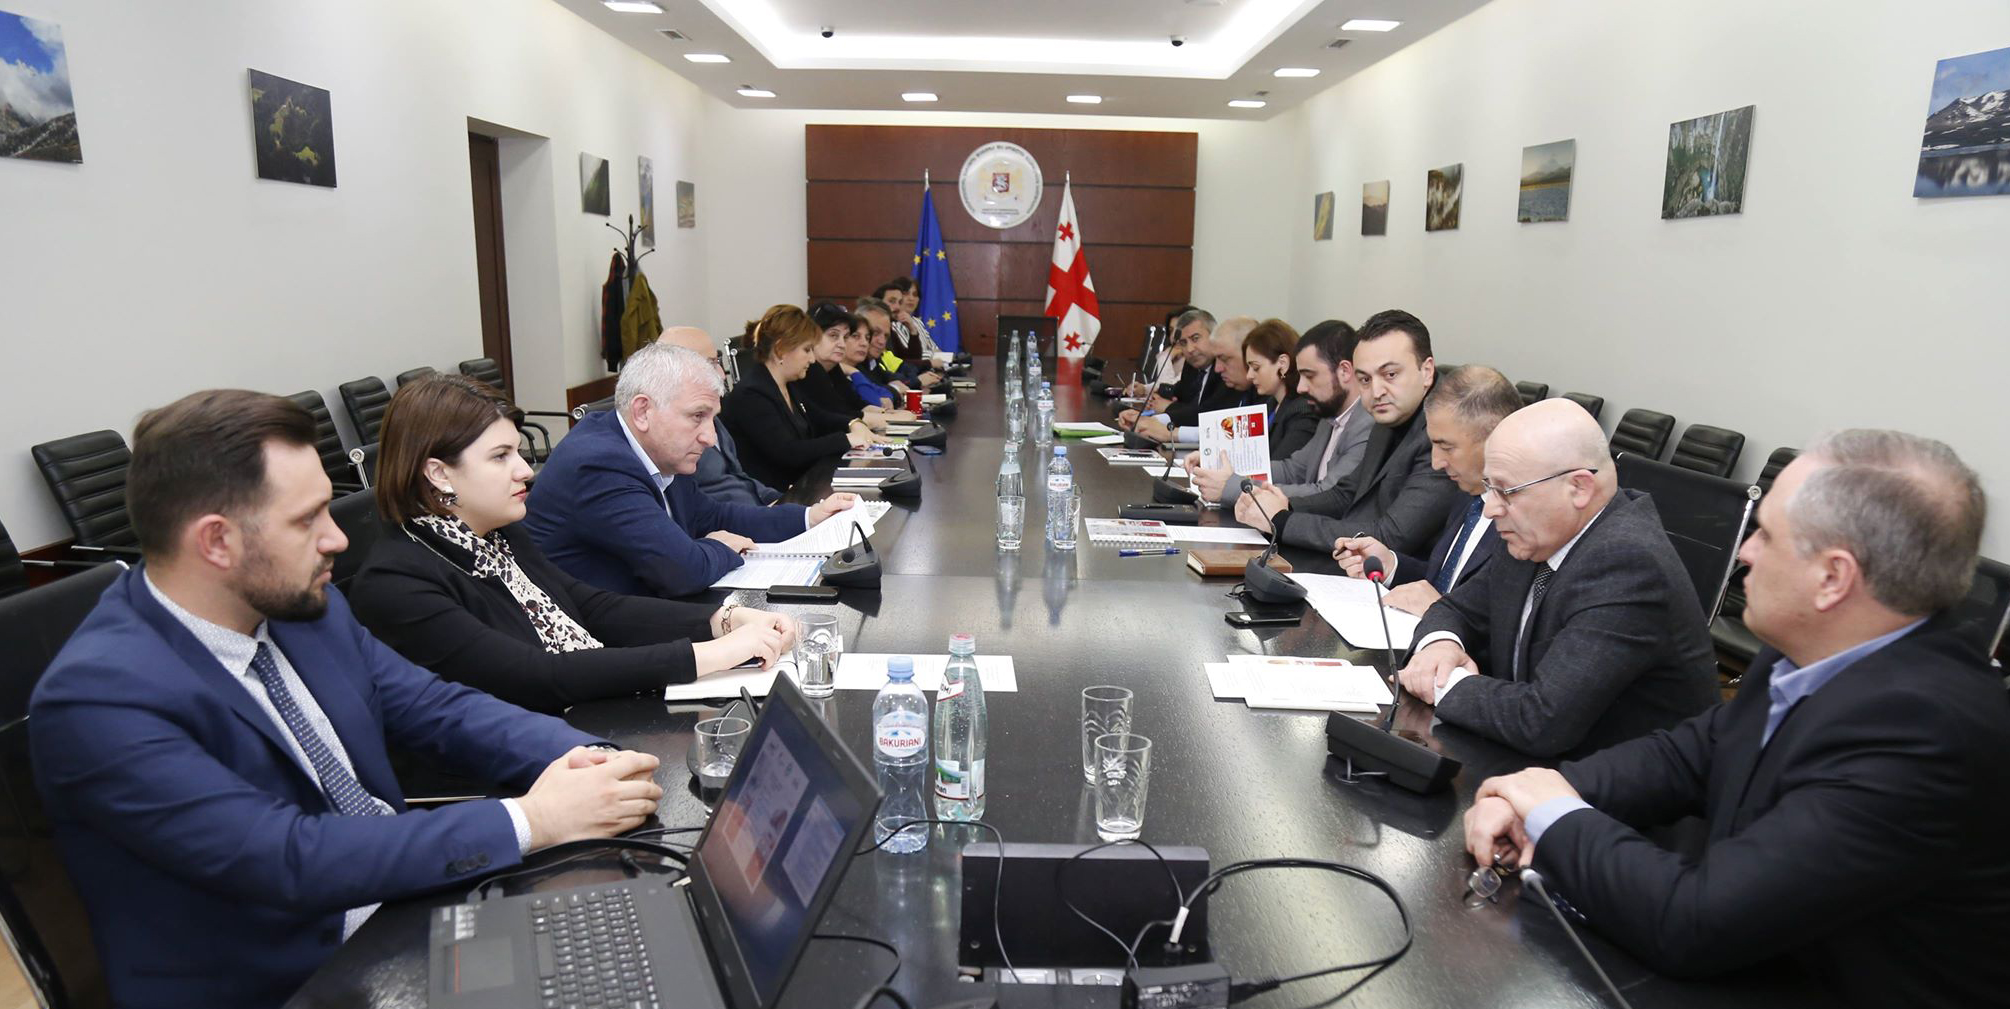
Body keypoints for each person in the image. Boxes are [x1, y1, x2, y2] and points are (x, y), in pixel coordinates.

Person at [29, 389, 664, 1009]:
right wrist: (534, 819)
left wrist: (592, 757)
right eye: (306, 519)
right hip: (285, 980)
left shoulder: (308, 609)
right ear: (217, 541)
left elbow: (438, 709)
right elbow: (288, 858)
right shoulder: (100, 701)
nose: (337, 539)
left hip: (402, 909)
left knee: (645, 957)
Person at [1464, 430, 2010, 1007]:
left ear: (1833, 578)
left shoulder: (1923, 733)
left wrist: (1554, 816)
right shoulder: (1809, 647)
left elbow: (1694, 923)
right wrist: (1537, 795)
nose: (1745, 551)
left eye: (1767, 535)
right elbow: (1690, 755)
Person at [349, 375, 796, 713]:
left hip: (586, 716)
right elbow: (534, 675)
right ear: (438, 474)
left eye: (518, 452)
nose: (525, 471)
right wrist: (709, 654)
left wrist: (722, 620)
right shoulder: (398, 582)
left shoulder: (499, 533)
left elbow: (589, 607)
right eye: (501, 457)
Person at [1397, 399, 1719, 757]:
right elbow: (1457, 609)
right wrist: (1440, 646)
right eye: (1489, 487)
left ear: (1579, 488)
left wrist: (1442, 682)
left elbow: (1541, 720)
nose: (1490, 508)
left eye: (1506, 490)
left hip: (1608, 783)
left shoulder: (1628, 565)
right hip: (1527, 759)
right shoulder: (1534, 532)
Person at [525, 342, 858, 597]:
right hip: (594, 644)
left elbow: (713, 516)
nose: (710, 438)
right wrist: (721, 547)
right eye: (697, 416)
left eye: (712, 419)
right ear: (642, 412)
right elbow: (680, 571)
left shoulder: (660, 452)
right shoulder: (599, 464)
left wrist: (809, 517)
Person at [1236, 309, 1461, 558]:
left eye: (1390, 375)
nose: (1376, 391)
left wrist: (1281, 520)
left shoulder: (1446, 432)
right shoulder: (1391, 411)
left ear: (1427, 371)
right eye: (1364, 379)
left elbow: (1391, 536)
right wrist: (1283, 505)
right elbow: (1345, 493)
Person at [1334, 364, 1520, 615]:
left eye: (1447, 447)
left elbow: (1502, 625)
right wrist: (1391, 565)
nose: (1436, 463)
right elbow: (1445, 581)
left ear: (1494, 439)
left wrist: (1440, 612)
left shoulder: (1522, 522)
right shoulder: (1467, 495)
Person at [1197, 320, 1370, 508]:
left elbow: (1327, 495)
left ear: (1344, 371)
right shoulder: (1329, 418)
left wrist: (1235, 488)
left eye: (1310, 376)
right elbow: (1292, 470)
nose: (1301, 387)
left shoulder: (1366, 425)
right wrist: (1215, 463)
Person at [723, 304, 879, 491]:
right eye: (807, 350)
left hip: (799, 484)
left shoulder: (787, 384)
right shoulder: (752, 394)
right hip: (771, 496)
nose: (812, 359)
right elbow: (788, 452)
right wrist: (846, 439)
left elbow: (818, 417)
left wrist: (853, 423)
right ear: (780, 350)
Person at [658, 325, 782, 507]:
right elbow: (704, 509)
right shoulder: (672, 434)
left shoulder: (712, 415)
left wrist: (778, 500)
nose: (722, 375)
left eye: (718, 362)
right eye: (711, 363)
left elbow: (739, 477)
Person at [1133, 316, 1260, 444]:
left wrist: (1171, 433)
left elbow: (1245, 432)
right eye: (1183, 342)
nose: (1218, 368)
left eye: (1224, 359)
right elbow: (1210, 415)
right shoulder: (1238, 385)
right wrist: (1152, 421)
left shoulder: (1264, 394)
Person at [1118, 308, 1226, 433]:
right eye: (1183, 343)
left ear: (1214, 336)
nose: (1190, 349)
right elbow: (1179, 391)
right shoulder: (1192, 365)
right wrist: (1147, 412)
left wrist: (1169, 408)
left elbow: (1206, 414)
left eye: (1195, 338)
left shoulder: (1224, 370)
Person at [1239, 319, 1320, 461]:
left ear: (1282, 364)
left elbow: (1283, 466)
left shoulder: (1303, 411)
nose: (1249, 376)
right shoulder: (1270, 403)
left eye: (1256, 368)